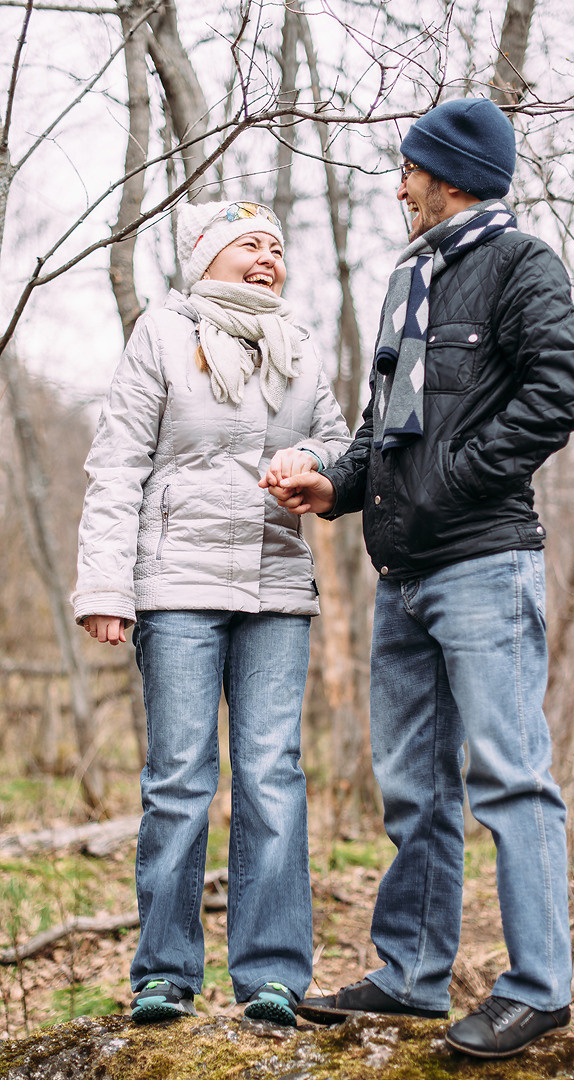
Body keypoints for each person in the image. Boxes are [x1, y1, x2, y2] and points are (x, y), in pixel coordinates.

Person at [267, 98, 574, 1059]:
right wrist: (336, 487)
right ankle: (410, 976)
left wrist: (454, 479)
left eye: (409, 169)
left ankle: (539, 986)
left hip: (486, 564)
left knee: (510, 778)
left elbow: (562, 388)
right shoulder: (409, 279)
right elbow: (385, 425)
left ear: (447, 174)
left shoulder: (519, 263)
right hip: (403, 571)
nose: (398, 183)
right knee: (413, 786)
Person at [72, 199, 350, 1027]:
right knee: (179, 779)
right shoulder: (161, 334)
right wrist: (104, 588)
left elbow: (341, 449)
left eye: (274, 245)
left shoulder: (300, 349)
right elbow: (117, 464)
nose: (267, 257)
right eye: (246, 245)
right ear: (206, 258)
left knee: (272, 775)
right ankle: (163, 971)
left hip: (274, 588)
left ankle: (271, 974)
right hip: (176, 587)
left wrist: (318, 470)